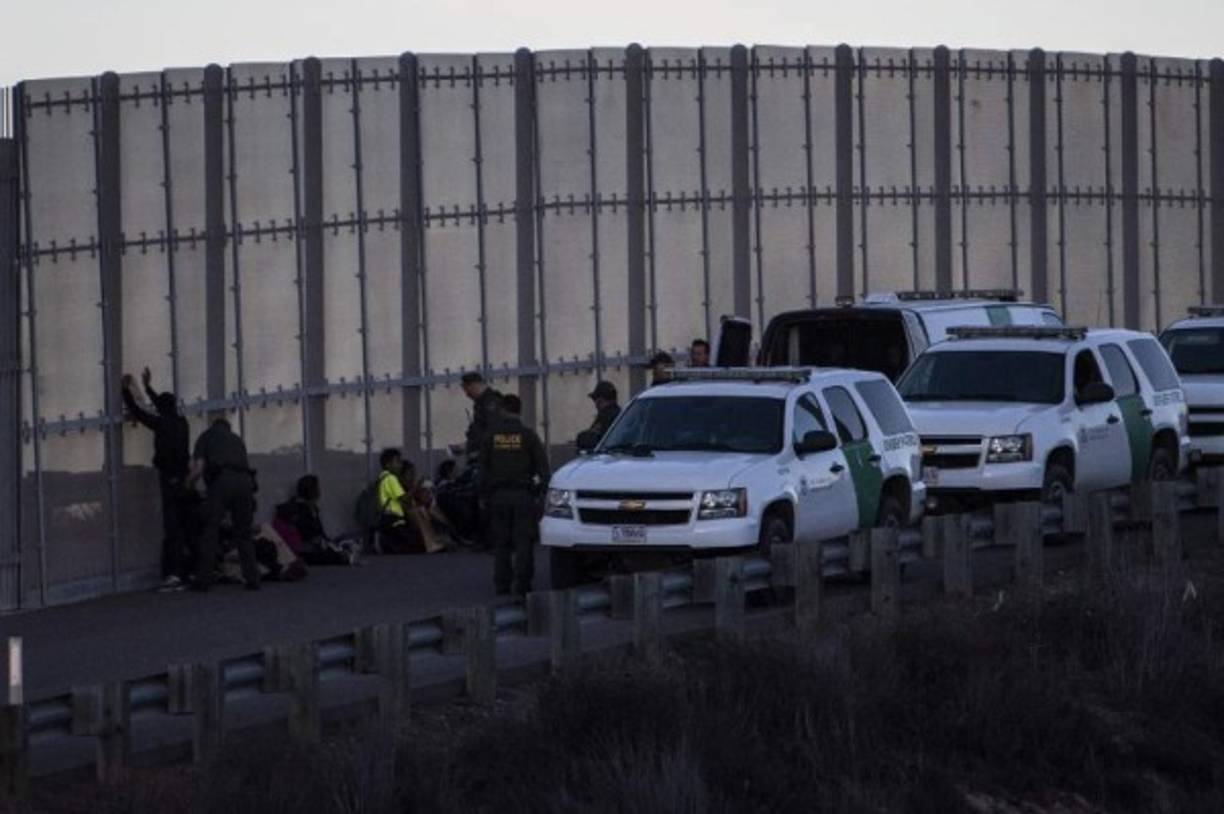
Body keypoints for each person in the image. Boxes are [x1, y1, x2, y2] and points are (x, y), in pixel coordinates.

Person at [121, 368, 191, 592]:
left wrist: (125, 391)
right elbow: (161, 407)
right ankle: (183, 572)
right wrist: (148, 388)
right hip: (183, 479)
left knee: (171, 527)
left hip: (169, 479)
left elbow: (138, 412)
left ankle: (173, 574)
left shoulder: (162, 424)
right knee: (180, 525)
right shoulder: (182, 423)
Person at [479, 394, 550, 597]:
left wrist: (483, 495)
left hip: (498, 496)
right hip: (523, 496)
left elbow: (482, 470)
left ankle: (502, 584)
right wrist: (540, 493)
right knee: (523, 542)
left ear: (502, 410)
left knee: (501, 542)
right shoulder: (529, 436)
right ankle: (523, 584)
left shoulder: (491, 436)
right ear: (519, 410)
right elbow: (543, 470)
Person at [187, 416, 259, 591]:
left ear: (213, 425)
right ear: (228, 427)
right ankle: (253, 579)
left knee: (210, 530)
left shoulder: (206, 437)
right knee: (244, 532)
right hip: (245, 482)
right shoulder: (237, 439)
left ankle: (203, 580)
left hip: (222, 481)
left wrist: (187, 485)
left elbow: (198, 469)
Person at [274, 475, 360, 566]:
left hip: (315, 545)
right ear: (313, 492)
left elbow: (320, 534)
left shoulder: (310, 508)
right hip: (307, 549)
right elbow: (308, 535)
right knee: (334, 554)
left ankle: (344, 554)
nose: (320, 491)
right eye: (318, 488)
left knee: (348, 539)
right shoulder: (299, 510)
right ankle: (345, 556)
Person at [459, 372, 503, 458]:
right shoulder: (481, 403)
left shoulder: (491, 402)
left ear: (474, 385)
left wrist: (472, 446)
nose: (467, 395)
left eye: (468, 391)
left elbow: (492, 431)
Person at [577, 380, 621, 449]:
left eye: (596, 400)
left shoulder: (608, 417)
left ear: (601, 400)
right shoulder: (621, 415)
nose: (596, 404)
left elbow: (596, 440)